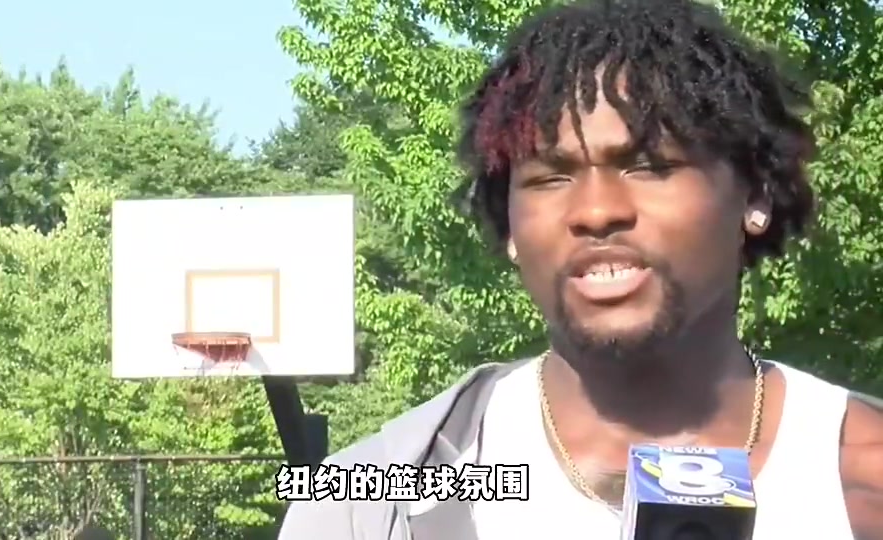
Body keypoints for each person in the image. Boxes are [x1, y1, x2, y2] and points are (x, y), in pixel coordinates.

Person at [278, 0, 883, 538]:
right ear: (509, 227)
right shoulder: (378, 496)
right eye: (550, 177)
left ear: (755, 195)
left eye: (651, 166)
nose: (596, 211)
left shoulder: (864, 476)